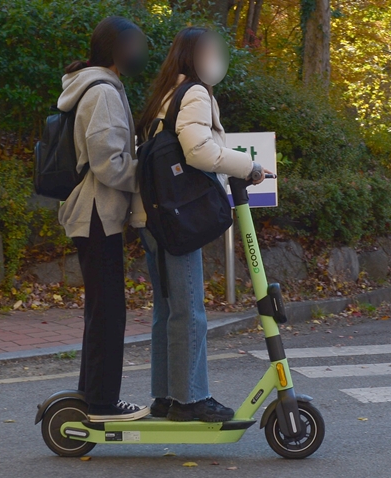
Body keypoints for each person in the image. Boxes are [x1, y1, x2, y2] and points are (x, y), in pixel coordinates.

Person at [136, 27, 271, 422]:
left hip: (151, 214)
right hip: (176, 218)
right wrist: (249, 166)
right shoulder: (193, 92)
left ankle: (166, 396)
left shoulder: (163, 94)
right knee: (190, 309)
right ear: (196, 58)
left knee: (168, 309)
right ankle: (191, 399)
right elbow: (198, 151)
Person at [58, 16, 150, 422]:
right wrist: (147, 177)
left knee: (102, 308)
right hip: (98, 213)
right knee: (108, 310)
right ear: (116, 50)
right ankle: (101, 403)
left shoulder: (98, 86)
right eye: (134, 46)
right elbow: (108, 162)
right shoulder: (103, 92)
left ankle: (90, 395)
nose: (140, 54)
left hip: (95, 212)